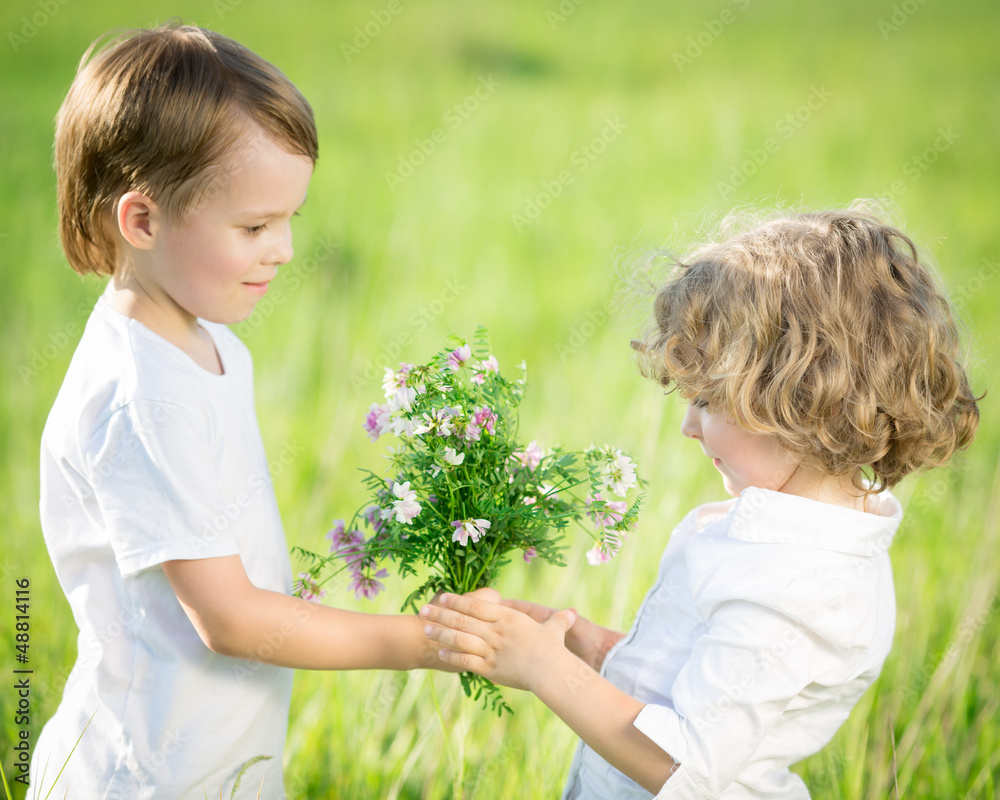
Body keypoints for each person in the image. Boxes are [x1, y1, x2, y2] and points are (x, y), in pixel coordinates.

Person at [33, 24, 478, 799]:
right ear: (142, 221)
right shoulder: (143, 396)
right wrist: (426, 642)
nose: (285, 251)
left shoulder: (205, 345)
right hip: (148, 777)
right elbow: (231, 620)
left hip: (216, 759)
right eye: (254, 227)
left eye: (289, 221)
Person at [420, 206, 980, 799]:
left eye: (709, 401)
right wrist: (580, 643)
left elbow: (682, 765)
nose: (688, 426)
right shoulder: (783, 538)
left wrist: (542, 668)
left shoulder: (800, 588)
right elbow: (695, 687)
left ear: (803, 403)